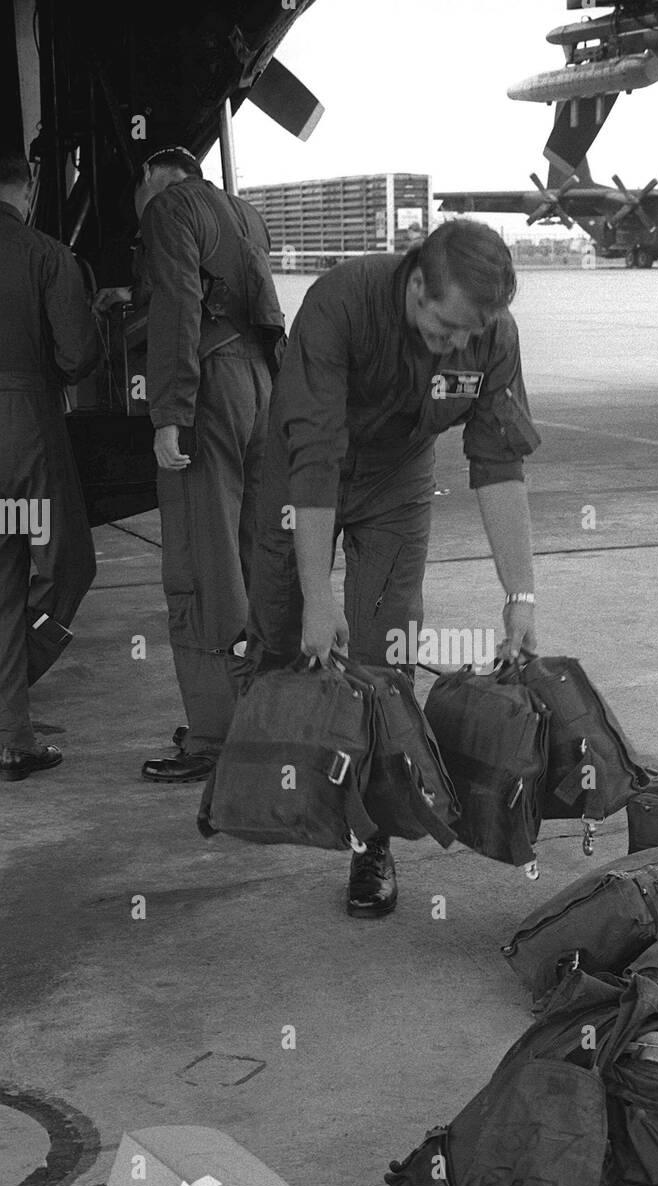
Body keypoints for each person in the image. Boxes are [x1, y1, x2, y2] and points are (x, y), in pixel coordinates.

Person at [245, 217, 541, 917]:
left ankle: (369, 838)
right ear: (415, 286)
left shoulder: (491, 333)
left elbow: (499, 461)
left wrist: (520, 595)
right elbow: (313, 458)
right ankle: (267, 783)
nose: (459, 345)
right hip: (302, 473)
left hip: (398, 479)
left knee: (385, 654)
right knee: (283, 635)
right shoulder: (340, 304)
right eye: (446, 329)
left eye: (472, 332)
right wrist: (318, 598)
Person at [121, 146, 283, 783]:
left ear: (153, 178)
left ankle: (215, 740)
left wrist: (169, 411)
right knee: (247, 555)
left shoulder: (169, 206)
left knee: (198, 559)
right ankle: (258, 718)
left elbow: (179, 306)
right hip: (258, 385)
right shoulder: (243, 213)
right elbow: (252, 303)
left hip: (209, 390)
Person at [0, 152, 99, 783]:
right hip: (21, 428)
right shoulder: (45, 255)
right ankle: (9, 727)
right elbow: (76, 353)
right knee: (63, 562)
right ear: (29, 192)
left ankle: (14, 738)